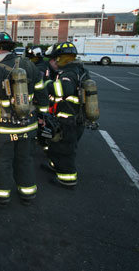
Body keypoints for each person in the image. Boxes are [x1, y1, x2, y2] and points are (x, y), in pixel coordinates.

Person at [0, 33, 49, 207]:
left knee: (2, 160)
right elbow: (42, 94)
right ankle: (27, 194)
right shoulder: (30, 66)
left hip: (5, 128)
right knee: (26, 160)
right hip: (28, 124)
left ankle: (2, 196)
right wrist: (43, 116)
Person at [44, 41, 90, 188]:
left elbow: (66, 89)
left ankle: (67, 178)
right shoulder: (79, 70)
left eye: (52, 59)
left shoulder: (69, 73)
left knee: (65, 150)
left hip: (69, 120)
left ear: (59, 58)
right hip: (73, 119)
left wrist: (47, 85)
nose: (50, 62)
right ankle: (56, 166)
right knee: (58, 146)